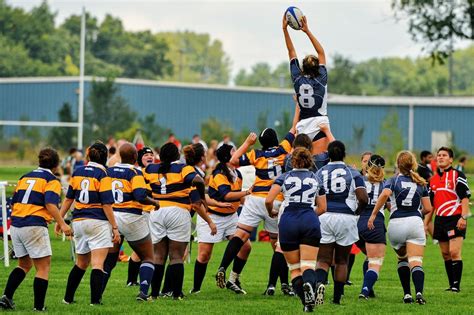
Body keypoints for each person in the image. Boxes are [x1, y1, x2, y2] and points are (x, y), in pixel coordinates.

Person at [215, 128, 295, 293]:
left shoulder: (256, 154)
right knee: (278, 246)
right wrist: (297, 106)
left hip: (255, 197)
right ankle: (281, 284)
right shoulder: (284, 148)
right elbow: (294, 128)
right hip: (275, 200)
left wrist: (247, 143)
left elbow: (233, 159)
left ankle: (223, 267)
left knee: (240, 236)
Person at [0, 148, 72, 311]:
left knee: (24, 264)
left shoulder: (24, 177)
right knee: (43, 267)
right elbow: (50, 204)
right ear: (56, 165)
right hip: (34, 225)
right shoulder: (52, 180)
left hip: (16, 225)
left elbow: (13, 203)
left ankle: (6, 297)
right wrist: (62, 224)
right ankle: (39, 308)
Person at [144, 143, 216, 300]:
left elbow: (141, 188)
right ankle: (176, 294)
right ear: (176, 156)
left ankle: (154, 294)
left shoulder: (150, 169)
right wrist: (203, 198)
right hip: (178, 211)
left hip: (157, 211)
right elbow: (198, 181)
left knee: (158, 256)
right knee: (176, 256)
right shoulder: (183, 168)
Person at [57, 142, 121, 306]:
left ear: (88, 156)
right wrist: (115, 227)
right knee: (98, 263)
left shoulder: (78, 171)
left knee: (81, 263)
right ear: (105, 156)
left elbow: (69, 198)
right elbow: (106, 204)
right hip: (97, 221)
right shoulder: (103, 174)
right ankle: (95, 301)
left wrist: (60, 218)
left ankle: (67, 299)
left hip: (78, 221)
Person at [265, 147, 327, 312]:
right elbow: (323, 208)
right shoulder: (316, 178)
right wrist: (308, 214)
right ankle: (310, 287)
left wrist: (271, 211)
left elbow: (269, 199)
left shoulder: (284, 177)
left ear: (293, 161)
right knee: (308, 265)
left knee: (294, 269)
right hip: (309, 219)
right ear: (309, 161)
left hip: (289, 221)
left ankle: (307, 304)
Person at [368, 151, 432, 305]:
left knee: (402, 259)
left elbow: (384, 194)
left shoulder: (393, 180)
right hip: (415, 223)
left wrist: (373, 214)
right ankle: (419, 293)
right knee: (416, 261)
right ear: (414, 164)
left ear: (397, 164)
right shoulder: (421, 182)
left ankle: (407, 294)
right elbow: (428, 208)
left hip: (396, 224)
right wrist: (417, 213)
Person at [190, 144, 252, 294]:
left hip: (231, 217)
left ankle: (233, 279)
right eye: (233, 151)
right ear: (227, 157)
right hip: (212, 216)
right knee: (204, 255)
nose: (237, 153)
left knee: (246, 247)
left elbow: (236, 198)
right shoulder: (219, 174)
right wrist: (247, 192)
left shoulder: (237, 173)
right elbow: (227, 195)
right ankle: (196, 288)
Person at [101, 143, 160, 301]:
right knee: (148, 256)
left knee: (109, 260)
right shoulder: (135, 172)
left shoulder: (109, 170)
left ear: (120, 156)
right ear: (135, 158)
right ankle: (143, 292)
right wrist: (154, 202)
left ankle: (97, 295)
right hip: (131, 216)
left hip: (112, 217)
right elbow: (140, 195)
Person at [314, 140, 368, 305]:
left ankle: (319, 287)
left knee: (323, 259)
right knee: (342, 260)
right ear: (344, 154)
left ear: (328, 155)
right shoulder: (353, 173)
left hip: (325, 216)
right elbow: (363, 198)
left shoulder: (320, 172)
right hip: (346, 217)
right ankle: (337, 298)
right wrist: (357, 211)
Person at [283, 14, 335, 155]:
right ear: (318, 67)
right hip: (320, 126)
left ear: (303, 67)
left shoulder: (297, 79)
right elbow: (321, 52)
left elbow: (291, 52)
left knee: (299, 166)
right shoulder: (321, 78)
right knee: (318, 166)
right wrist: (307, 31)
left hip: (303, 128)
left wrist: (285, 30)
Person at [425, 147, 470, 292]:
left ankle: (456, 286)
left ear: (451, 159)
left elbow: (464, 198)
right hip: (440, 220)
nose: (440, 157)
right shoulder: (432, 180)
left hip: (455, 218)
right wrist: (425, 224)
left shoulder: (458, 175)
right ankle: (451, 285)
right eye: (438, 155)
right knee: (445, 254)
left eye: (444, 155)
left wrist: (463, 217)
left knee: (454, 252)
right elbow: (430, 205)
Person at [356, 154, 388, 299]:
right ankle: (365, 290)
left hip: (356, 222)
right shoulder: (385, 184)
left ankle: (369, 290)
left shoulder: (359, 180)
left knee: (369, 257)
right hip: (373, 222)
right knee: (376, 261)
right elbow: (389, 205)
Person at [126, 147, 155, 287]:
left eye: (151, 154)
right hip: (143, 213)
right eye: (146, 155)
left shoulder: (156, 172)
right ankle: (132, 280)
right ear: (139, 159)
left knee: (149, 249)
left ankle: (134, 280)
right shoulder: (137, 173)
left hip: (154, 214)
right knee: (141, 250)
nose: (149, 157)